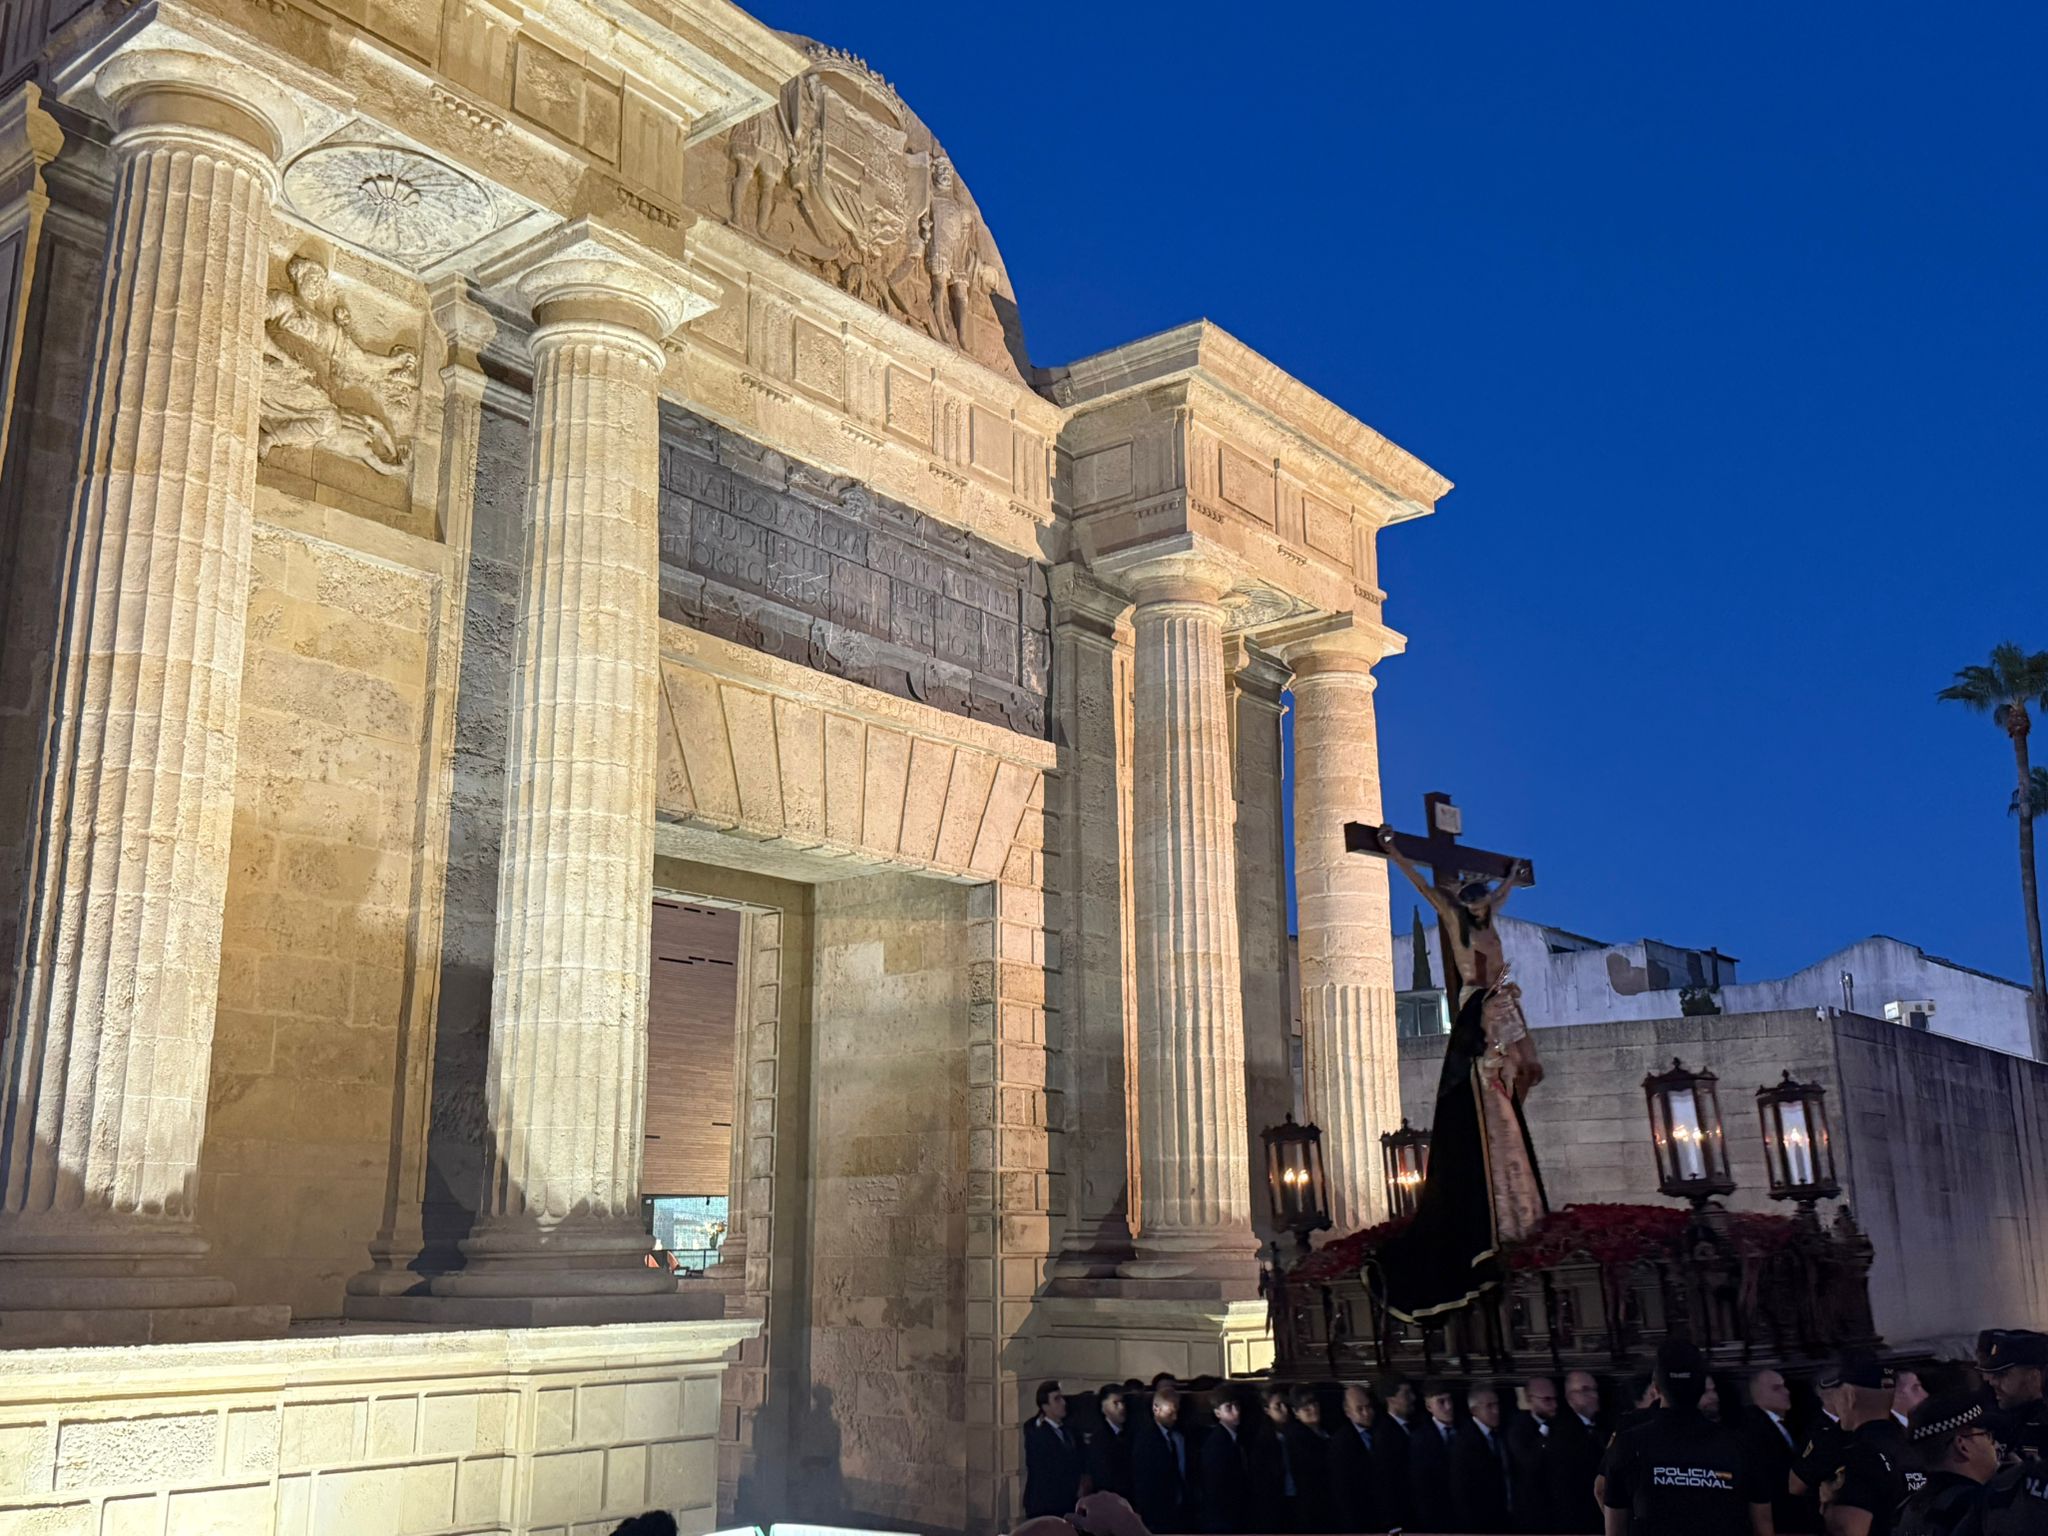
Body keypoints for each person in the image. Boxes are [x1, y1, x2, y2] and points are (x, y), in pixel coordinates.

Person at [1368, 836, 1548, 1322]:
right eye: (1477, 901)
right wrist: (1396, 855)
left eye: (1487, 900)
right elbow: (1430, 892)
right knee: (1482, 1096)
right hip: (1476, 1014)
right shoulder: (1459, 926)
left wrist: (1511, 873)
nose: (1484, 907)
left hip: (1499, 1007)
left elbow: (1507, 890)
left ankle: (1517, 1214)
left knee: (1517, 1086)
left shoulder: (1493, 916)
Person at [1600, 1337, 1773, 1535]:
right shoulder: (1740, 1445)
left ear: (1657, 1388)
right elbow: (1764, 1524)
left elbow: (1614, 1527)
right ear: (1701, 1389)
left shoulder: (1628, 1444)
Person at [1817, 1351, 1908, 1536]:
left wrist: (1827, 1505)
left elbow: (1846, 1529)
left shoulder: (1855, 1460)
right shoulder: (1918, 1446)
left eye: (1837, 1394)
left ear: (1849, 1396)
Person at [1894, 1391, 1998, 1536]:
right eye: (1987, 1435)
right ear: (1963, 1446)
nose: (1995, 1445)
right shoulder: (1981, 1509)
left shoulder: (1909, 1509)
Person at [1742, 1366, 1816, 1535]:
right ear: (1758, 1394)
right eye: (1776, 1388)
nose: (1785, 1392)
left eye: (1784, 1386)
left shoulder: (1783, 1426)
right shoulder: (1756, 1430)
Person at [1509, 1375, 1574, 1534]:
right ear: (1530, 1399)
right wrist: (1544, 1436)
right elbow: (1529, 1463)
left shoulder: (1564, 1424)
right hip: (1535, 1509)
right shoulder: (1518, 1429)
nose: (1554, 1404)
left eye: (1555, 1398)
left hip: (1563, 1507)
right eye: (1546, 1399)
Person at [1452, 1385, 1515, 1533]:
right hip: (1481, 1522)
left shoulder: (1502, 1433)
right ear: (1474, 1410)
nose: (1496, 1410)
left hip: (1505, 1518)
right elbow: (1461, 1490)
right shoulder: (1464, 1442)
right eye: (1489, 1406)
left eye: (1497, 1404)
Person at [1134, 1387, 1195, 1535]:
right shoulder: (1145, 1440)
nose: (1174, 1417)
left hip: (1182, 1509)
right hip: (1157, 1511)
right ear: (1156, 1409)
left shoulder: (1181, 1436)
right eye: (1170, 1412)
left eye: (1177, 1412)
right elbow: (1143, 1480)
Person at [1984, 1330, 2048, 1462]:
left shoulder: (2041, 1426)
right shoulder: (1996, 1420)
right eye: (1992, 1375)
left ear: (2034, 1377)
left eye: (2002, 1374)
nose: (1992, 1382)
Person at [1025, 1381, 1085, 1519]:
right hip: (1046, 1504)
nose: (1063, 1403)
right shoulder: (1037, 1431)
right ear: (1045, 1406)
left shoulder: (1069, 1431)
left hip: (1067, 1502)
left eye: (1062, 1398)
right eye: (1057, 1399)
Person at [1330, 1384, 1383, 1535]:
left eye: (1368, 1407)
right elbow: (1343, 1488)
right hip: (1360, 1517)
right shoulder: (1341, 1442)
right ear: (1348, 1412)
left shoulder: (1381, 1430)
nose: (1366, 1413)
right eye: (1359, 1409)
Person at [1408, 1382, 1461, 1533]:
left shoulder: (1465, 1429)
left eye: (1450, 1400)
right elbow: (1421, 1483)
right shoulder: (1420, 1438)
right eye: (1441, 1402)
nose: (1449, 1406)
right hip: (1438, 1514)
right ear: (1429, 1407)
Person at [1200, 1390, 1253, 1534]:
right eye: (1228, 1407)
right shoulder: (1216, 1443)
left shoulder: (1236, 1437)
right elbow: (1217, 1485)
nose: (1236, 1412)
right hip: (1225, 1516)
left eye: (1236, 1406)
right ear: (1218, 1413)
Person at [1250, 1386, 1299, 1532]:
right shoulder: (1262, 1440)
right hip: (1275, 1501)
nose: (1285, 1410)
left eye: (1286, 1404)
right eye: (1278, 1406)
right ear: (1267, 1410)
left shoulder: (1295, 1433)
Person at [1287, 1387, 1336, 1534]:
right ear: (1296, 1413)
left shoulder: (1326, 1429)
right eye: (1306, 1407)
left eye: (1314, 1403)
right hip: (1312, 1503)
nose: (1313, 1409)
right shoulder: (1297, 1437)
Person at [1376, 1376, 1419, 1528]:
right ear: (1391, 1399)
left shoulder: (1414, 1425)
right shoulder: (1384, 1435)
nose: (1413, 1398)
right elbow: (1387, 1482)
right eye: (1406, 1394)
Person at [1089, 1384, 1137, 1502]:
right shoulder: (1099, 1438)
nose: (1121, 1407)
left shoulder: (1130, 1434)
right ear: (1103, 1407)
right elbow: (1103, 1476)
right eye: (1115, 1403)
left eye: (1122, 1402)